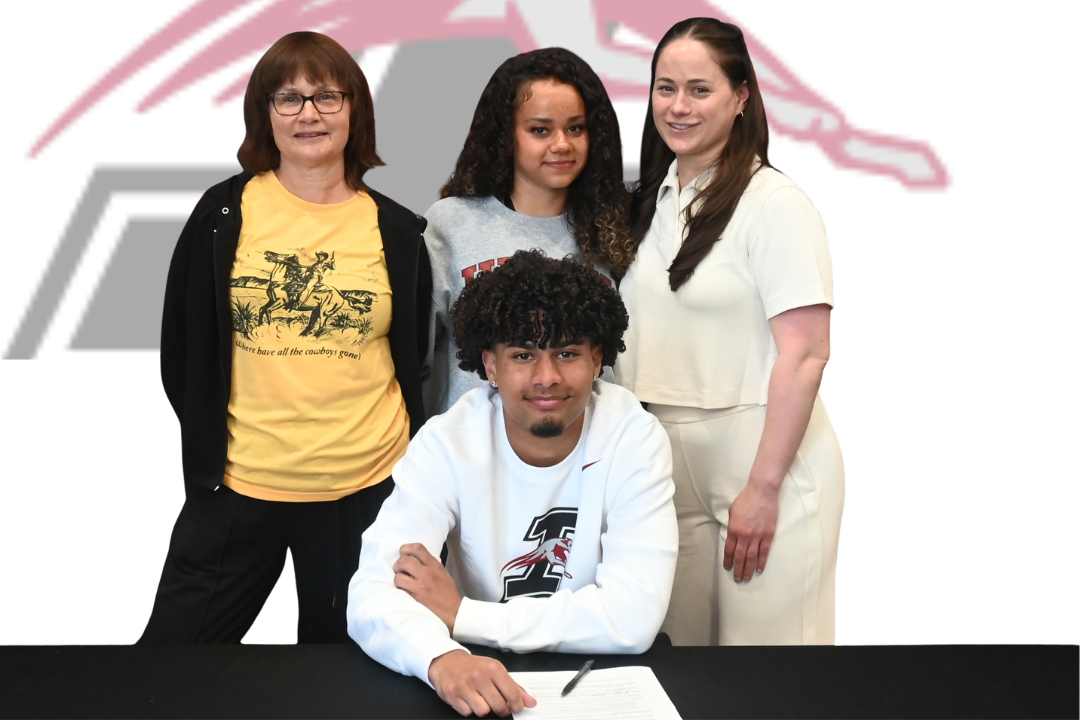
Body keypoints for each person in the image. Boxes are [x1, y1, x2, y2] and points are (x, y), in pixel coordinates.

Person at [140, 32, 431, 644]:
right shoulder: (222, 215)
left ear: (355, 111)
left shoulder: (399, 231)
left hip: (366, 491)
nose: (309, 115)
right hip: (241, 484)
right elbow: (182, 353)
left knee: (347, 682)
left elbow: (414, 360)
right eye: (288, 99)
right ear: (263, 114)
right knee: (166, 672)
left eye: (327, 96)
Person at [348, 251, 677, 718]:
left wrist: (463, 614)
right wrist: (440, 658)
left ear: (597, 358)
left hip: (599, 675)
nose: (547, 378)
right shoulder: (447, 442)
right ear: (491, 365)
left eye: (567, 353)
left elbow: (635, 617)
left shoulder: (634, 436)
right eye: (523, 355)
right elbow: (372, 590)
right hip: (478, 664)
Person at [616, 17, 845, 646]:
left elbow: (805, 354)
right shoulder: (646, 203)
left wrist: (764, 487)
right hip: (662, 459)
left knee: (767, 677)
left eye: (699, 89)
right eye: (666, 88)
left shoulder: (774, 205)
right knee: (683, 669)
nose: (678, 106)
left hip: (758, 457)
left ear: (741, 97)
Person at [422, 47, 633, 415]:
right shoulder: (451, 224)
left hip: (587, 455)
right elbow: (414, 357)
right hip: (472, 457)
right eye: (540, 129)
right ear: (506, 137)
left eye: (576, 128)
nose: (562, 144)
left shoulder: (614, 228)